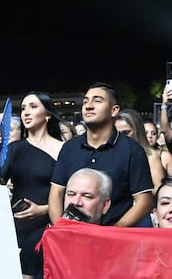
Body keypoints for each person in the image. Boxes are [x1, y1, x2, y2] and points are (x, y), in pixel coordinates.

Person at [0, 92, 63, 279]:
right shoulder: (15, 148)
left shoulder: (63, 149)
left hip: (47, 225)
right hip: (16, 226)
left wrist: (44, 210)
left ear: (47, 115)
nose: (27, 112)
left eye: (33, 106)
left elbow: (69, 195)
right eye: (24, 108)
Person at [48, 82, 153, 227]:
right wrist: (60, 230)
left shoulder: (131, 150)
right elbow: (56, 194)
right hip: (72, 237)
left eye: (97, 101)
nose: (88, 105)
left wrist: (113, 233)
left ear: (114, 110)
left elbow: (144, 201)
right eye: (85, 101)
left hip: (115, 240)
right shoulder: (70, 148)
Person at [115, 109, 165, 192]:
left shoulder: (150, 156)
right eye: (117, 133)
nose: (121, 137)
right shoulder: (111, 153)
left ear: (137, 131)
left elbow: (158, 188)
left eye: (126, 132)